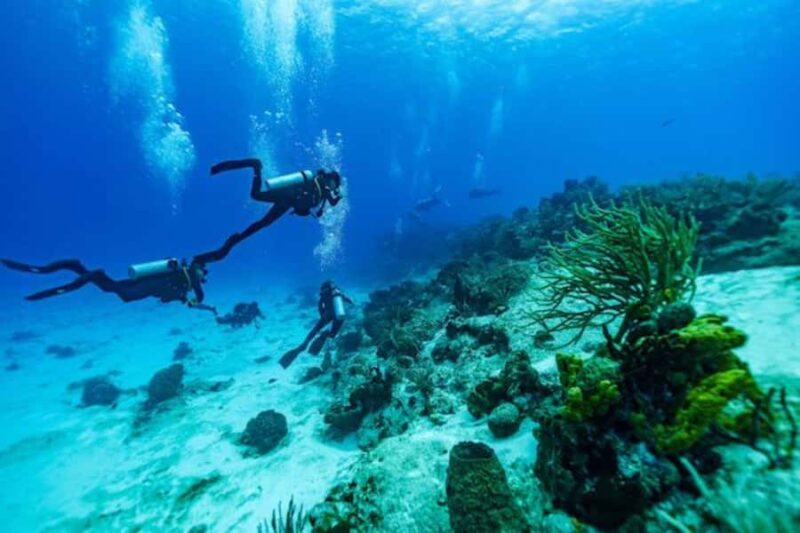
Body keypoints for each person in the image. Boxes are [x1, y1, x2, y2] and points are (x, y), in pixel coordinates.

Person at [193, 158, 343, 264]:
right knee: (255, 196)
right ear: (330, 179)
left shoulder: (324, 193)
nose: (334, 188)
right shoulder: (320, 182)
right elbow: (316, 198)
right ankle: (255, 165)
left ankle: (234, 241)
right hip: (287, 196)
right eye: (334, 184)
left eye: (335, 186)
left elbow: (327, 203)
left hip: (287, 204)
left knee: (263, 223)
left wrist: (337, 198)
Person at [1, 257, 217, 314]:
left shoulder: (180, 277)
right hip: (135, 291)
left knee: (107, 285)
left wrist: (205, 308)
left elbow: (186, 300)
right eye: (203, 272)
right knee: (110, 287)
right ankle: (76, 279)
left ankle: (74, 267)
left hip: (139, 283)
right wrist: (203, 305)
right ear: (198, 270)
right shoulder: (189, 279)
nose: (202, 275)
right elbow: (199, 296)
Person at [279, 281, 353, 369]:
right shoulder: (337, 293)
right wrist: (351, 301)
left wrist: (323, 317)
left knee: (315, 330)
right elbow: (347, 300)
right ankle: (324, 335)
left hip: (327, 315)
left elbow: (320, 306)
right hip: (338, 316)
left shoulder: (323, 294)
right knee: (332, 334)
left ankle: (304, 344)